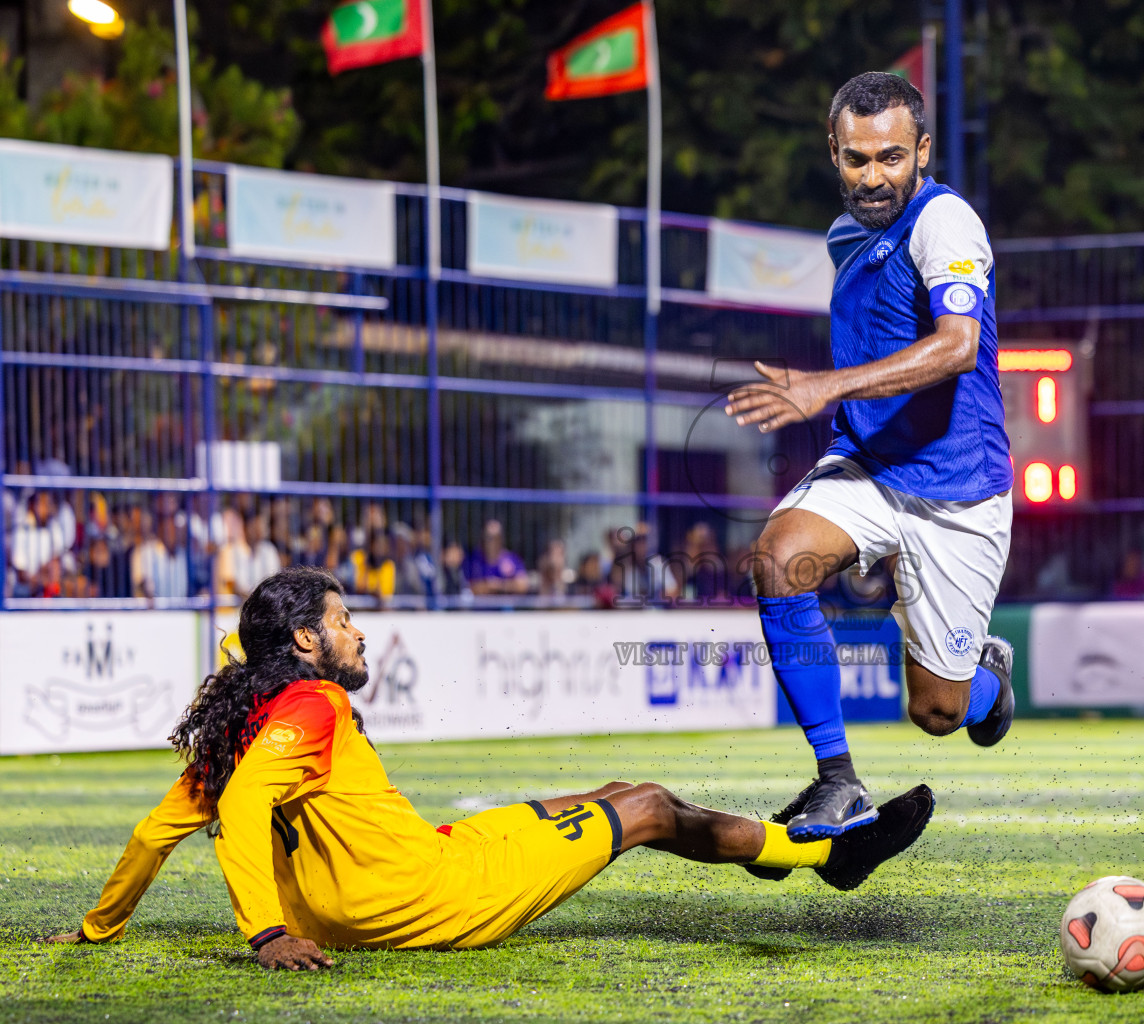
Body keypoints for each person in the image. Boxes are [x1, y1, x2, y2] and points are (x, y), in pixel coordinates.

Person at [43, 568, 932, 967]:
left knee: (611, 795)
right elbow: (240, 816)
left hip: (407, 867)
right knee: (651, 805)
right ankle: (830, 857)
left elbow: (156, 832)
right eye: (345, 620)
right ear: (309, 641)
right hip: (429, 895)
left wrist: (99, 928)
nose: (362, 632)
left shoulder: (243, 722)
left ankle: (796, 845)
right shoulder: (315, 706)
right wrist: (267, 934)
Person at [722, 72, 1013, 842]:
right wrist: (842, 404)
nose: (873, 176)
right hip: (871, 467)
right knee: (779, 560)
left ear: (921, 151)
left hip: (957, 491)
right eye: (857, 159)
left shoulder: (945, 221)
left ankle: (987, 685)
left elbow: (954, 349)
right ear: (834, 152)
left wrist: (826, 387)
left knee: (938, 713)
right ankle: (836, 780)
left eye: (891, 156)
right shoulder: (845, 235)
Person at [465, 520, 530, 596]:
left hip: (505, 606)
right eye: (489, 537)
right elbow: (468, 588)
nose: (492, 542)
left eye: (496, 537)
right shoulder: (475, 560)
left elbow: (523, 586)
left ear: (501, 539)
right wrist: (488, 586)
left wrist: (499, 585)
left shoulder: (511, 559)